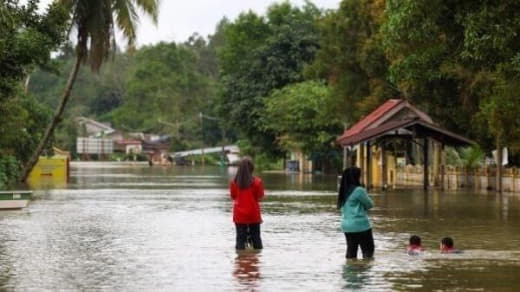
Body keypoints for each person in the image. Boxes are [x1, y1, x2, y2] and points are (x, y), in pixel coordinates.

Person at [337, 167, 375, 259]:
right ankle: (364, 272)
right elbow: (370, 204)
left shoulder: (343, 191)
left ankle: (350, 271)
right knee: (368, 251)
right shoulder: (359, 190)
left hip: (346, 226)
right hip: (360, 225)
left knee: (351, 252)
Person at [230, 157, 265, 250]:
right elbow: (260, 197)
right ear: (252, 168)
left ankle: (240, 260)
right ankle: (256, 261)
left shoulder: (234, 182)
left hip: (239, 215)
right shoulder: (258, 182)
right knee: (256, 238)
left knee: (240, 239)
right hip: (253, 214)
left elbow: (233, 197)